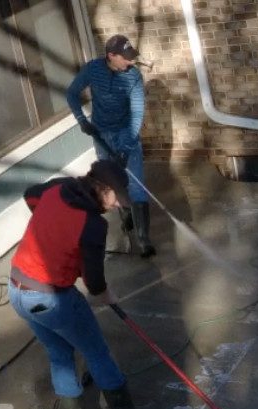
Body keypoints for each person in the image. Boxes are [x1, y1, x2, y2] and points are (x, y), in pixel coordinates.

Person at [8, 160, 158, 409]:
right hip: (51, 298)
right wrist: (105, 294)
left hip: (16, 291)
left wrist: (50, 234)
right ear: (102, 190)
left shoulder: (59, 188)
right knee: (97, 351)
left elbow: (30, 194)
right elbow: (94, 281)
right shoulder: (92, 225)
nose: (117, 206)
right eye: (116, 198)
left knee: (59, 354)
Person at [66, 34, 156, 258]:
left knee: (135, 184)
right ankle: (127, 217)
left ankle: (143, 239)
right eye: (125, 58)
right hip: (102, 134)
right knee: (112, 184)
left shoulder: (133, 76)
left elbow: (137, 113)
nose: (130, 62)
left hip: (127, 133)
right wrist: (82, 121)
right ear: (111, 56)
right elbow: (71, 93)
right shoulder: (93, 70)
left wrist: (127, 145)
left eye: (131, 57)